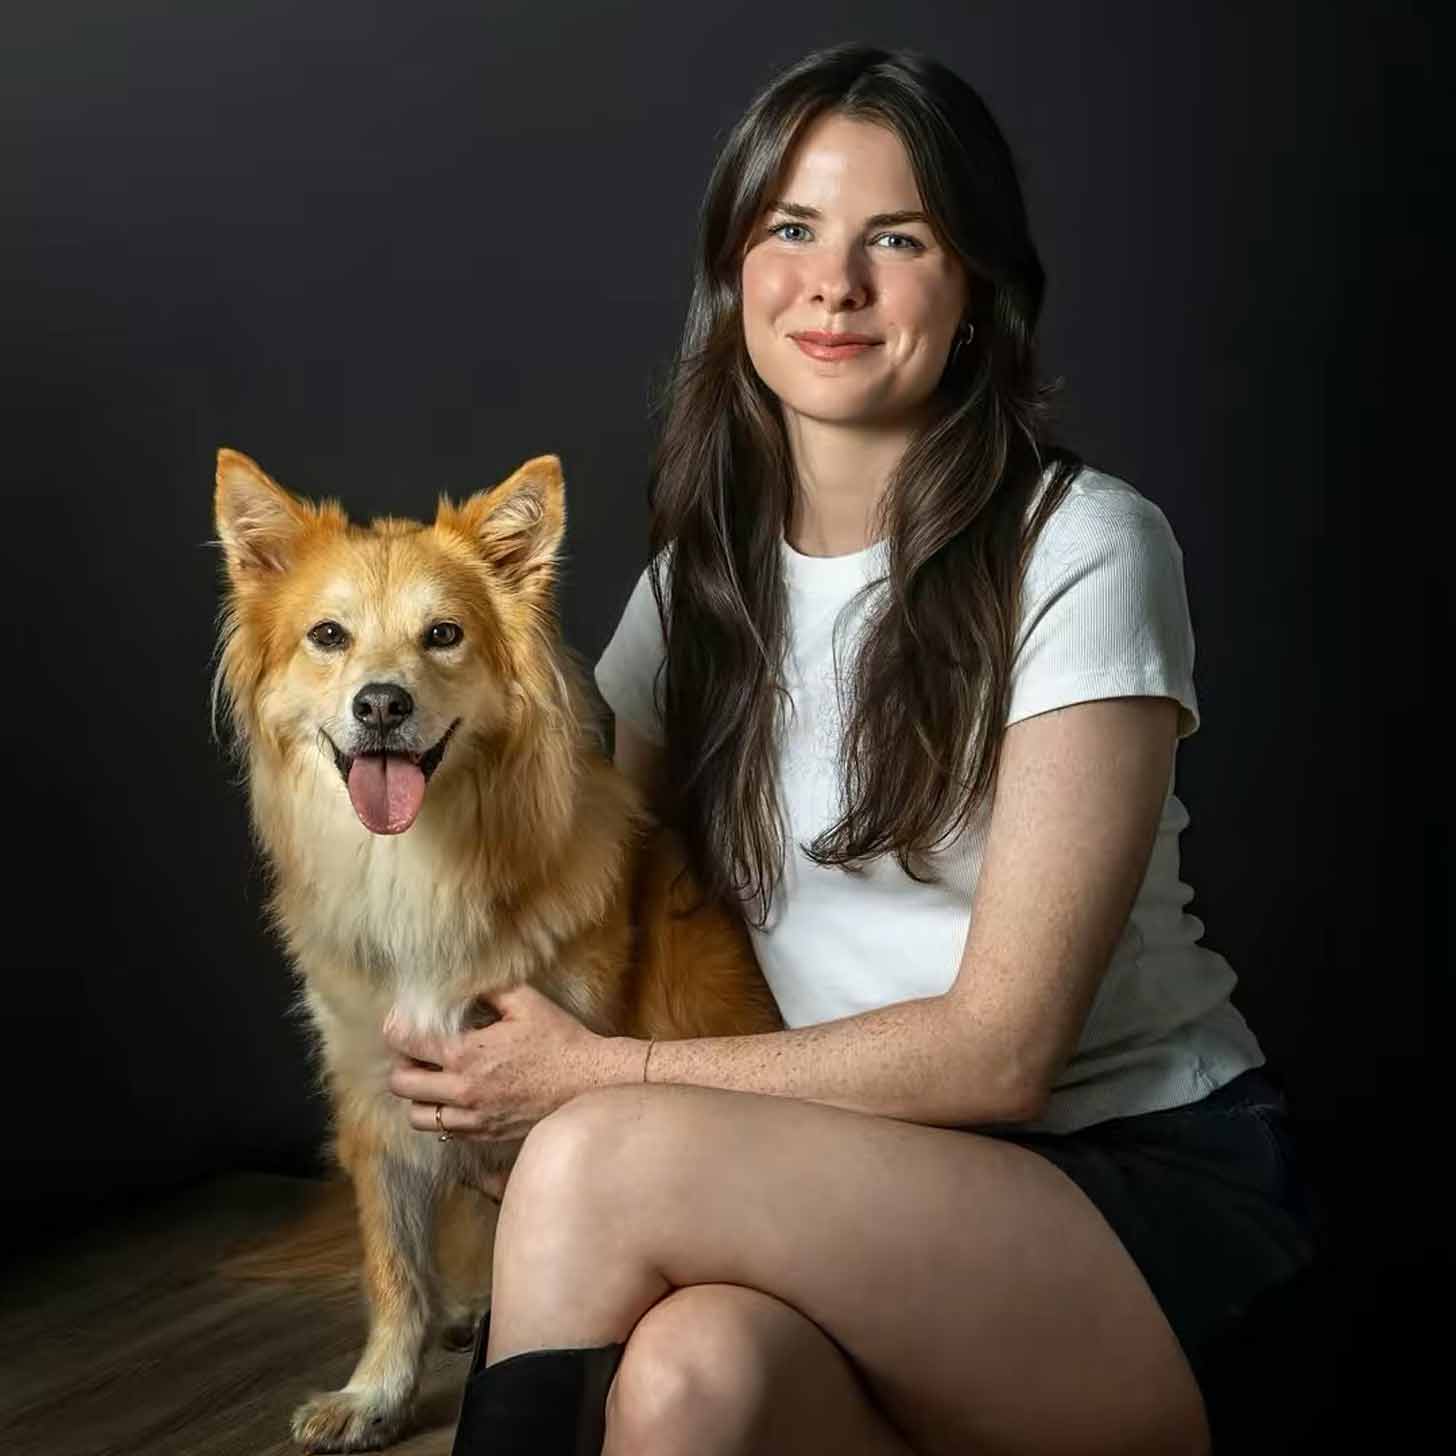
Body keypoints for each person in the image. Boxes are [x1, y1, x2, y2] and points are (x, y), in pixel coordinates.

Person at [383, 43, 1324, 1456]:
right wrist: (449, 1012)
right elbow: (588, 901)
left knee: (602, 1151)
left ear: (978, 287)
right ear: (734, 275)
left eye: (899, 237)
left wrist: (595, 1083)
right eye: (792, 231)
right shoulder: (689, 600)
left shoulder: (1083, 548)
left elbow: (1000, 1054)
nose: (836, 285)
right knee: (691, 1382)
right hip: (839, 1190)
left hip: (1138, 1216)